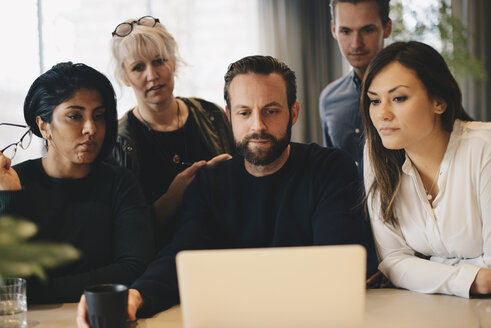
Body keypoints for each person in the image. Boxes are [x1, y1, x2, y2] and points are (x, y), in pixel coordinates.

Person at [77, 55, 371, 326]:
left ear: (293, 112)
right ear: (229, 115)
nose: (258, 125)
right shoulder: (210, 182)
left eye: (271, 111)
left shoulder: (331, 169)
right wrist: (137, 294)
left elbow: (336, 266)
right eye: (244, 113)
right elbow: (181, 253)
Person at [0, 62, 155, 304]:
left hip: (103, 315)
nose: (91, 129)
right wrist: (8, 199)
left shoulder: (119, 182)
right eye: (74, 116)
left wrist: (39, 291)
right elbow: (7, 286)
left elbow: (134, 268)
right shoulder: (13, 184)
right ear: (43, 126)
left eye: (99, 116)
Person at [362, 41, 491, 298]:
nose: (382, 114)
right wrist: (472, 279)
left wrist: (429, 265)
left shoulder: (484, 148)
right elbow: (394, 261)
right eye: (375, 101)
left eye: (398, 98)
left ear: (439, 102)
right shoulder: (375, 153)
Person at [109, 16, 234, 248]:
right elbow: (123, 234)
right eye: (138, 67)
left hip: (223, 251)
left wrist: (230, 176)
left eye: (159, 61)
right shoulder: (116, 142)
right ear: (125, 77)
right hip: (155, 265)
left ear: (173, 63)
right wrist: (172, 198)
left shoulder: (213, 116)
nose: (152, 75)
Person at [319, 0, 392, 177]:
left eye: (367, 30)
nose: (356, 44)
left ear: (387, 28)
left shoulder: (412, 91)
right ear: (333, 30)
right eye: (346, 31)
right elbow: (331, 170)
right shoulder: (329, 99)